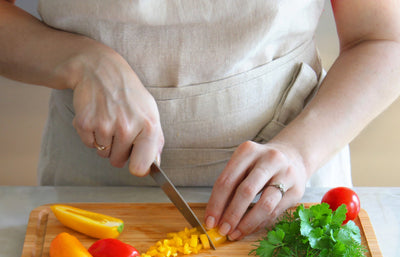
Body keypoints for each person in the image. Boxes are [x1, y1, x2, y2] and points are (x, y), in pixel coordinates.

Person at [1, 0, 399, 241]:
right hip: (92, 175)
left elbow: (383, 39)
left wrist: (299, 150)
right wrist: (83, 61)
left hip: (288, 185)